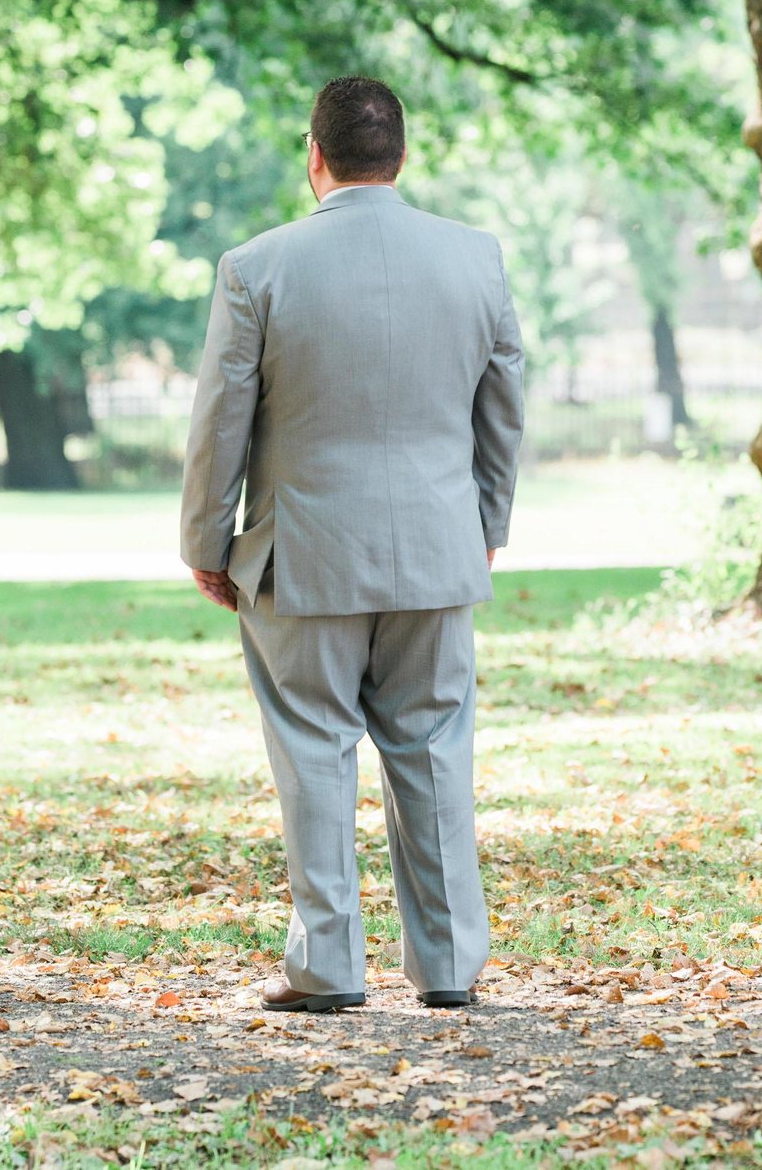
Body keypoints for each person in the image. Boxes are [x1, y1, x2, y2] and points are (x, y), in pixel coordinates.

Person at [180, 76, 525, 1014]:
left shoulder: (257, 266)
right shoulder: (475, 259)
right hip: (435, 552)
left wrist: (207, 543)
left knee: (314, 750)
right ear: (400, 156)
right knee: (434, 747)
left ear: (315, 156)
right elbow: (503, 411)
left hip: (305, 558)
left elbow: (221, 421)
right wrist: (485, 527)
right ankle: (450, 963)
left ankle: (328, 968)